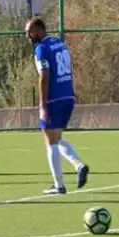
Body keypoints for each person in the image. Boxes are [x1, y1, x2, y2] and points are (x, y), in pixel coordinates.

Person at [27, 17, 89, 195]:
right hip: (67, 95)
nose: (28, 35)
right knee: (57, 138)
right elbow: (69, 68)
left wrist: (42, 105)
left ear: (39, 31)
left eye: (30, 32)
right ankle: (79, 165)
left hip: (53, 98)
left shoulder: (42, 49)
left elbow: (44, 77)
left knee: (50, 141)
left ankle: (59, 185)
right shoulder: (60, 44)